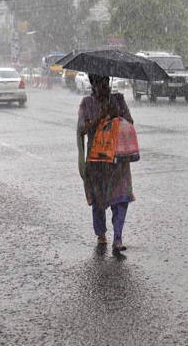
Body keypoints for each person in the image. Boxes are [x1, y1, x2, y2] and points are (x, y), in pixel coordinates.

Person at [77, 74, 135, 253]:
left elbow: (130, 123)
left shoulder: (118, 100)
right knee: (98, 200)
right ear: (93, 84)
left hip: (118, 159)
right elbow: (83, 129)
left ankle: (118, 237)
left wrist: (116, 114)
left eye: (105, 82)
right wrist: (100, 116)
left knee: (121, 198)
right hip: (97, 160)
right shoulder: (86, 103)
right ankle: (101, 233)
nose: (103, 87)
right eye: (99, 83)